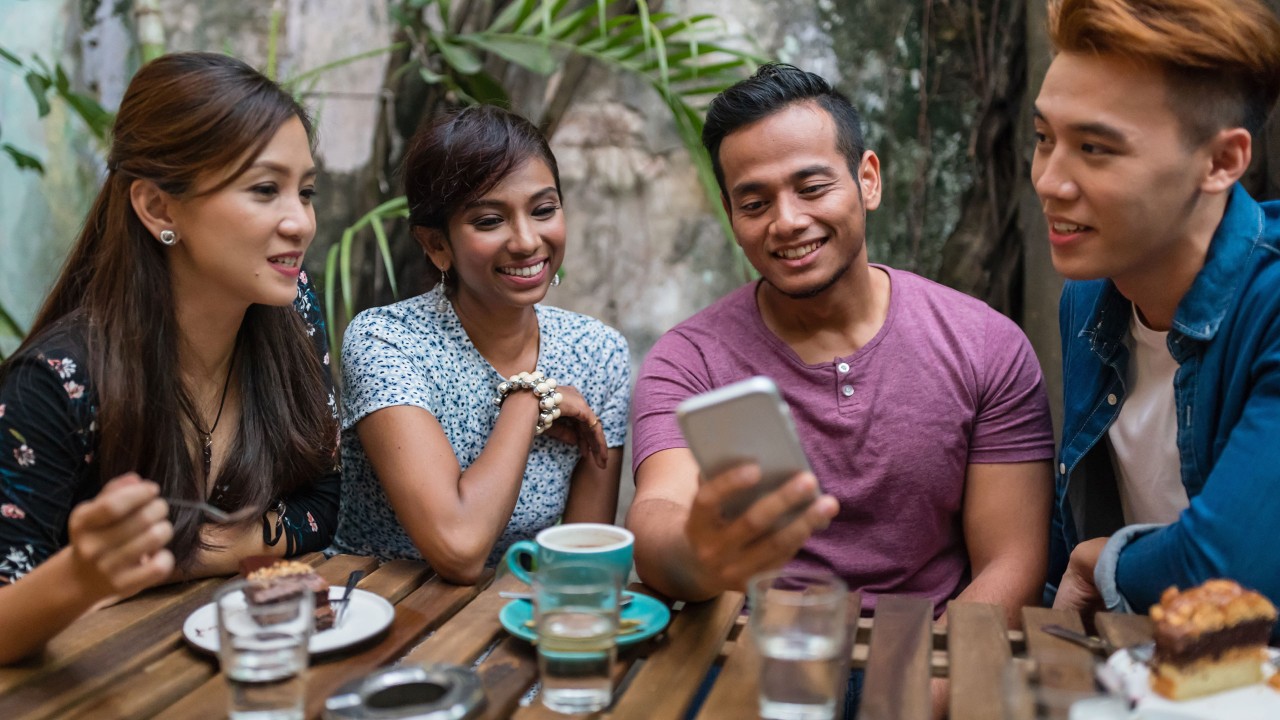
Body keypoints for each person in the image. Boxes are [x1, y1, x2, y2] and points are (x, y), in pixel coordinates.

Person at [627, 63, 1055, 715]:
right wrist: (698, 552)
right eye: (755, 202)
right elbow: (658, 517)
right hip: (755, 654)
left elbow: (1012, 563)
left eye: (811, 186)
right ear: (731, 214)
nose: (787, 221)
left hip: (932, 652)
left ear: (868, 179)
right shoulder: (691, 360)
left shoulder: (984, 345)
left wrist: (910, 696)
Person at [0, 52, 341, 663]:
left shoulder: (292, 310)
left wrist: (177, 558)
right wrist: (83, 575)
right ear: (159, 208)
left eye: (306, 191)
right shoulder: (57, 383)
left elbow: (321, 502)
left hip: (245, 670)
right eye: (266, 189)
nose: (302, 222)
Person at [1036, 0, 1280, 625]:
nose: (1050, 181)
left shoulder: (1270, 302)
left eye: (1095, 148)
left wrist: (1105, 562)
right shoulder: (1091, 293)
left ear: (1222, 161)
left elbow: (1229, 573)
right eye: (1044, 139)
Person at [330, 105, 630, 584]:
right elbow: (459, 548)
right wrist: (531, 400)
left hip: (515, 620)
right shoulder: (387, 342)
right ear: (436, 245)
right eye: (490, 220)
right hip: (376, 616)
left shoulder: (598, 352)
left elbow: (582, 563)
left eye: (544, 210)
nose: (528, 240)